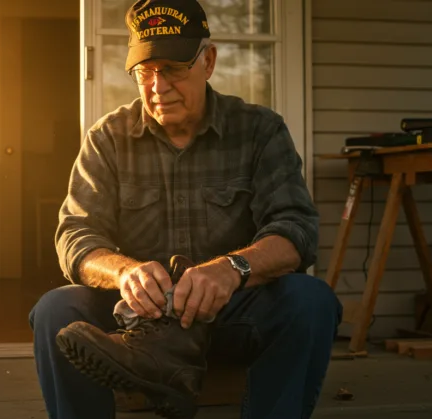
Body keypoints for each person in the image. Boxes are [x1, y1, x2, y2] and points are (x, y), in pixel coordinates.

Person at [28, 0, 343, 418]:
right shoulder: (107, 138)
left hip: (231, 313)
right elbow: (75, 236)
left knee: (312, 301)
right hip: (138, 322)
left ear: (208, 61)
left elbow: (296, 230)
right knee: (55, 310)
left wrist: (232, 269)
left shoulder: (260, 130)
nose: (158, 86)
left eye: (173, 69)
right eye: (145, 72)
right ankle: (156, 364)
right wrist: (125, 274)